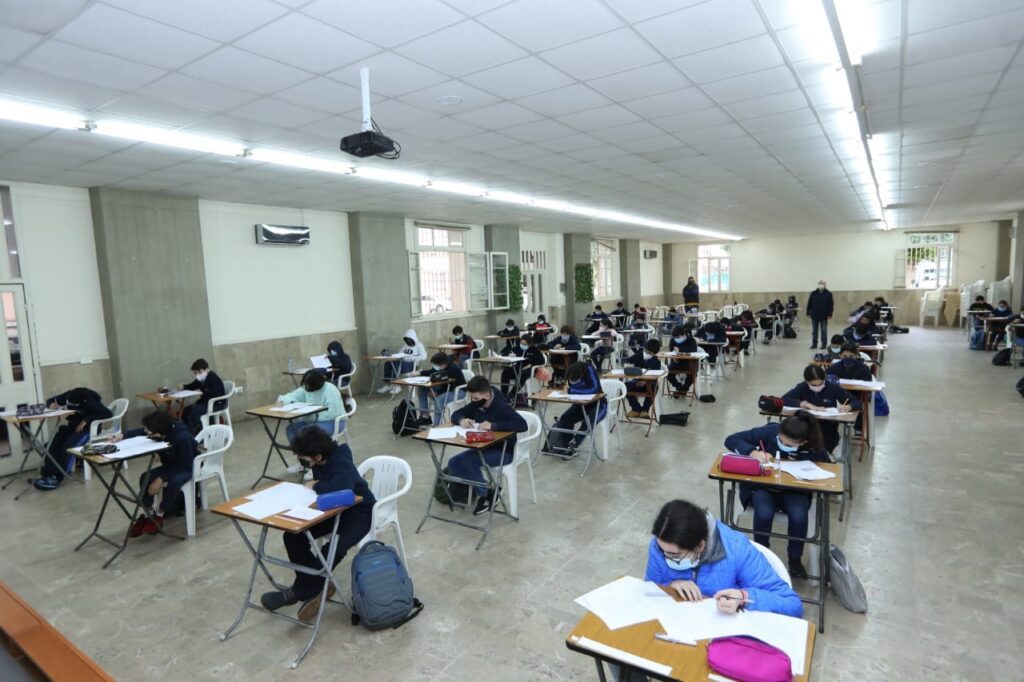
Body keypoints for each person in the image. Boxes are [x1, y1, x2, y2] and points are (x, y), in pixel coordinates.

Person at [260, 428, 374, 623]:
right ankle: (317, 585)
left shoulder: (341, 460)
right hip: (333, 509)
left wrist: (316, 485)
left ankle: (296, 593)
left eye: (304, 459)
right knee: (294, 535)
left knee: (333, 548)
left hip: (359, 512)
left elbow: (341, 487)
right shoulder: (321, 460)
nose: (302, 463)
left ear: (318, 456)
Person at [645, 499, 802, 616]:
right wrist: (670, 584)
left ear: (700, 546)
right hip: (680, 624)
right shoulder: (661, 545)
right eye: (661, 550)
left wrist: (744, 597)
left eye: (675, 555)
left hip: (725, 636)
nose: (665, 557)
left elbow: (792, 605)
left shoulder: (737, 549)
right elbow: (649, 589)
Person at [723, 413, 829, 579]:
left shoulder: (813, 446)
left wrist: (806, 461)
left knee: (799, 515)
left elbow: (827, 467)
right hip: (762, 488)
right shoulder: (770, 431)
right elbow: (732, 439)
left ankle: (795, 559)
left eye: (789, 444)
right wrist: (752, 452)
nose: (783, 445)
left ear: (803, 441)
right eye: (781, 440)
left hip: (794, 491)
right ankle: (761, 556)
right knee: (764, 512)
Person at [448, 376, 528, 515]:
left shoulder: (502, 406)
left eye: (476, 398)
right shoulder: (475, 404)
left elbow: (522, 425)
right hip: (483, 447)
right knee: (453, 463)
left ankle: (485, 495)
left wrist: (494, 426)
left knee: (468, 460)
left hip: (503, 450)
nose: (473, 401)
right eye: (471, 398)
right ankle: (491, 489)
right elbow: (456, 414)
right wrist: (461, 420)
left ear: (487, 395)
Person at [120, 411, 200, 537]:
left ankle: (160, 513)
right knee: (145, 477)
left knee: (174, 482)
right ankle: (149, 513)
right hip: (171, 464)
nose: (147, 432)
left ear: (159, 432)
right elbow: (142, 431)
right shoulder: (163, 430)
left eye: (150, 431)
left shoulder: (182, 438)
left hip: (189, 466)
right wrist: (123, 436)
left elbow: (186, 466)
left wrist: (161, 478)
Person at [34, 387, 113, 491]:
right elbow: (51, 400)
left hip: (88, 429)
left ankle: (59, 477)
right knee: (54, 442)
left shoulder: (90, 401)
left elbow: (108, 413)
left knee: (68, 446)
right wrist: (51, 405)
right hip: (72, 426)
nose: (69, 404)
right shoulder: (69, 395)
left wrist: (86, 420)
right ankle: (48, 475)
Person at [782, 364, 859, 453]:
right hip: (806, 428)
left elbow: (856, 402)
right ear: (807, 382)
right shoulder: (802, 387)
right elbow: (784, 399)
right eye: (813, 385)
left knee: (823, 448)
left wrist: (849, 406)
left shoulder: (832, 387)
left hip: (827, 429)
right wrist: (803, 404)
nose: (817, 387)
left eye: (821, 384)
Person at [545, 361, 606, 458]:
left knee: (588, 423)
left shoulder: (589, 369)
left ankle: (574, 444)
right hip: (581, 404)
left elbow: (594, 389)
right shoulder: (571, 371)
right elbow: (571, 389)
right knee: (565, 418)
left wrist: (570, 391)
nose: (572, 381)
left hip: (598, 404)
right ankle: (565, 446)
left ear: (581, 374)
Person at [277, 369, 346, 443]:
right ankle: (302, 452)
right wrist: (282, 400)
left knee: (307, 432)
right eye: (306, 385)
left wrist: (310, 416)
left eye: (309, 386)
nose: (307, 388)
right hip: (312, 421)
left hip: (334, 422)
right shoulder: (307, 387)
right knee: (291, 429)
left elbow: (333, 413)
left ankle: (311, 453)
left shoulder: (330, 389)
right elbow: (291, 396)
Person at [416, 352, 465, 426]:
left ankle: (437, 425)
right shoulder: (441, 365)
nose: (435, 366)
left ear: (443, 364)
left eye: (436, 365)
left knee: (439, 399)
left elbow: (452, 385)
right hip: (445, 387)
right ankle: (425, 416)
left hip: (458, 390)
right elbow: (432, 372)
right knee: (422, 388)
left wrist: (438, 393)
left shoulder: (453, 368)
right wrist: (419, 373)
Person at [180, 358, 226, 434]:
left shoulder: (213, 378)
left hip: (217, 403)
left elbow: (215, 393)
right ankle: (187, 431)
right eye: (195, 373)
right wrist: (184, 386)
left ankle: (192, 434)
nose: (198, 375)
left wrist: (203, 391)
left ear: (207, 369)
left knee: (195, 412)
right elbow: (193, 385)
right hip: (205, 402)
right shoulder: (201, 378)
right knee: (185, 411)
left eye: (200, 372)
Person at [379, 329, 427, 394]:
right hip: (402, 363)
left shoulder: (419, 345)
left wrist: (410, 358)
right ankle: (389, 384)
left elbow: (424, 356)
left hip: (412, 365)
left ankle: (397, 385)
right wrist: (392, 356)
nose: (408, 341)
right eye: (407, 339)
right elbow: (400, 353)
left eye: (409, 339)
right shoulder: (405, 346)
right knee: (388, 363)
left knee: (396, 364)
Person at [500, 333, 544, 401]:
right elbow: (504, 353)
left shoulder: (534, 349)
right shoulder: (518, 348)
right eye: (521, 343)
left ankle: (511, 395)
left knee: (522, 374)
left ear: (529, 344)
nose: (522, 345)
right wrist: (509, 354)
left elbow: (542, 361)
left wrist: (531, 362)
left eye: (525, 344)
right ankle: (503, 394)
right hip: (519, 368)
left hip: (530, 369)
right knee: (505, 372)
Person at [625, 338, 662, 418]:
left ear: (653, 353)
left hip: (649, 383)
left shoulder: (656, 362)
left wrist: (645, 381)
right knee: (625, 386)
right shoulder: (639, 355)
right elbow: (628, 360)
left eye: (649, 352)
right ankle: (636, 409)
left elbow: (655, 376)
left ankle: (645, 410)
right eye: (645, 350)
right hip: (637, 381)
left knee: (654, 386)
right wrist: (626, 363)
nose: (646, 353)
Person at [666, 324, 698, 397]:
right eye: (674, 337)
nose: (676, 339)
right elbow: (671, 353)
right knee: (667, 372)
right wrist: (674, 359)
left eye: (678, 337)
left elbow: (693, 352)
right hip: (676, 362)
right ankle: (679, 387)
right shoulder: (673, 341)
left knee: (692, 372)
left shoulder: (691, 340)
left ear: (683, 335)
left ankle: (683, 389)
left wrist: (680, 350)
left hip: (689, 363)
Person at [806, 279, 834, 350]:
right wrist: (808, 312)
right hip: (814, 315)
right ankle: (814, 344)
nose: (821, 284)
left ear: (825, 285)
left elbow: (831, 305)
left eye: (822, 283)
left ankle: (824, 344)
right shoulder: (813, 293)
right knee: (814, 331)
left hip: (824, 315)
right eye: (820, 283)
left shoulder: (828, 293)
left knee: (824, 331)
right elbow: (809, 303)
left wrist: (830, 314)